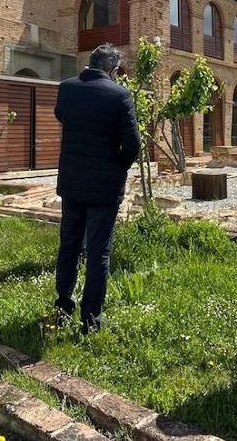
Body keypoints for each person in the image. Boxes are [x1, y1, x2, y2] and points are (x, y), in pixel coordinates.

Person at [53, 43, 141, 333]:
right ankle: (90, 319)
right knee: (98, 252)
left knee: (69, 244)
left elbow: (61, 116)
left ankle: (63, 304)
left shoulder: (67, 87)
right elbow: (133, 145)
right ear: (114, 70)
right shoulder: (120, 95)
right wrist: (117, 166)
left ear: (90, 63)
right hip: (104, 186)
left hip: (73, 182)